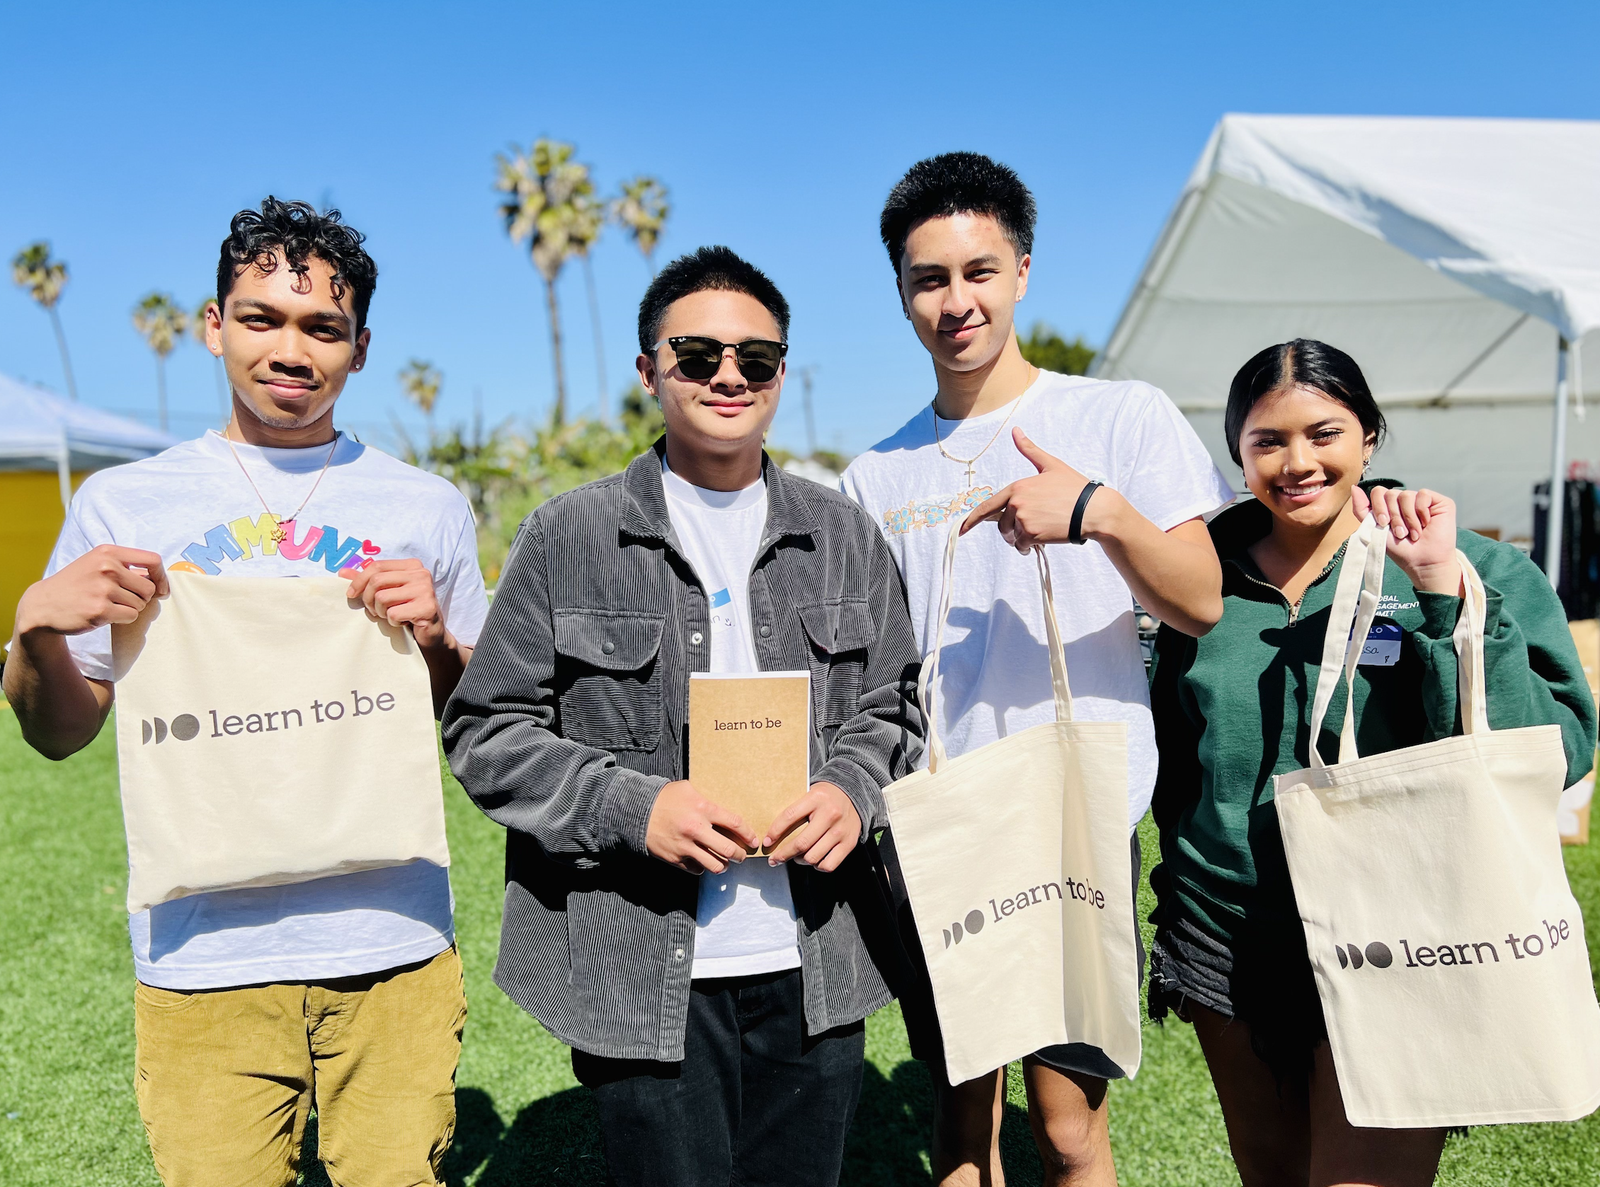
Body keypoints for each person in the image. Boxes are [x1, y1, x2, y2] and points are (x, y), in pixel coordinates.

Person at [3, 198, 487, 1186]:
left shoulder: (424, 504)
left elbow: (473, 717)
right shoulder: (123, 502)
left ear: (359, 345)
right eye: (262, 317)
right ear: (214, 324)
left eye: (322, 326)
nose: (291, 348)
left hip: (391, 937)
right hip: (200, 954)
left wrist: (436, 638)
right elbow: (59, 731)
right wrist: (35, 625)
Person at [441, 246, 923, 1187]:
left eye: (758, 357)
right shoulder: (565, 535)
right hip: (637, 962)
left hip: (817, 956)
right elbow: (486, 727)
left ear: (784, 371)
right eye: (698, 355)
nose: (730, 375)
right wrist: (633, 807)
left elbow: (894, 703)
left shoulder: (842, 533)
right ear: (649, 371)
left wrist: (853, 787)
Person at [842, 152, 1234, 1187]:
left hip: (1072, 811)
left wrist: (1095, 511)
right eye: (928, 279)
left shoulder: (1119, 416)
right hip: (934, 816)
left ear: (1021, 271)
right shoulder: (871, 474)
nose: (954, 300)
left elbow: (1197, 595)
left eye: (978, 270)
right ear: (900, 292)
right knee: (960, 1120)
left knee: (1066, 1128)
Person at [1146, 339, 1597, 1187]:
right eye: (1266, 441)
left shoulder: (1478, 567)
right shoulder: (1199, 579)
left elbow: (1558, 750)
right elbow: (1177, 761)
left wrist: (1440, 596)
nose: (1298, 462)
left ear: (1371, 436)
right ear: (1237, 452)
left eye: (1325, 432)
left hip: (1403, 931)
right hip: (1227, 937)